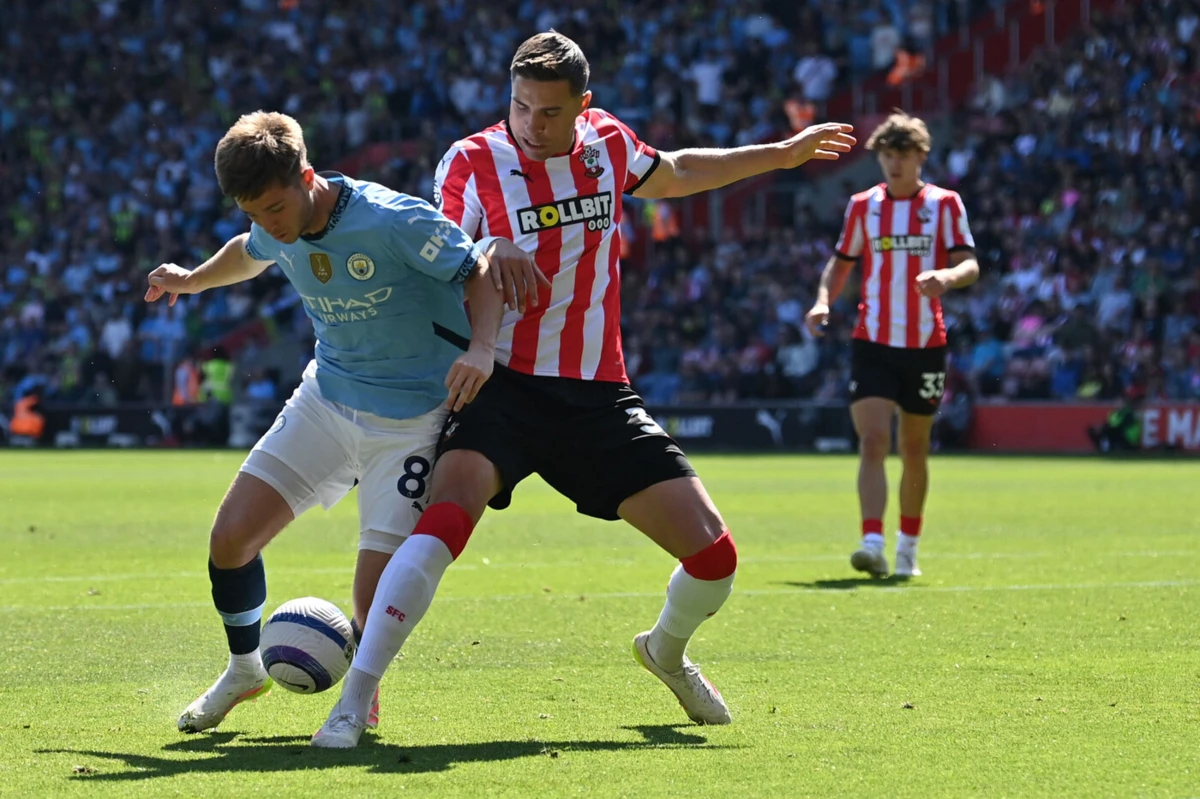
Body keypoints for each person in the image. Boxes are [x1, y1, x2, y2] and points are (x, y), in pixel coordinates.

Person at [311, 31, 856, 748]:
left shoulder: (607, 145)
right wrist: (485, 248)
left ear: (584, 106)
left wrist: (779, 154)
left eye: (550, 113)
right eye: (521, 107)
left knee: (715, 560)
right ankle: (355, 700)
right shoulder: (473, 161)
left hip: (597, 394)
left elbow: (679, 170)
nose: (532, 126)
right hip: (501, 383)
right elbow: (432, 257)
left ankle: (664, 649)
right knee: (443, 522)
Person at [146, 110, 534, 734]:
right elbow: (250, 253)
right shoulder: (274, 224)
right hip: (325, 400)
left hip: (412, 420)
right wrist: (192, 281)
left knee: (373, 595)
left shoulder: (392, 220)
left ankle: (359, 699)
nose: (269, 224)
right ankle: (245, 671)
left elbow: (480, 269)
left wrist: (482, 348)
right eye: (254, 211)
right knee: (229, 540)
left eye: (274, 207)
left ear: (306, 177)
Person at [804, 111, 980, 579]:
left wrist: (946, 275)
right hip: (873, 341)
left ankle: (908, 546)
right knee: (873, 440)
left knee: (915, 447)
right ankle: (872, 541)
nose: (894, 164)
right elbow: (841, 263)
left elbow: (970, 264)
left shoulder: (944, 204)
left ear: (921, 156)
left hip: (925, 344)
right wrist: (823, 300)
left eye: (902, 155)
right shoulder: (864, 205)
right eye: (886, 155)